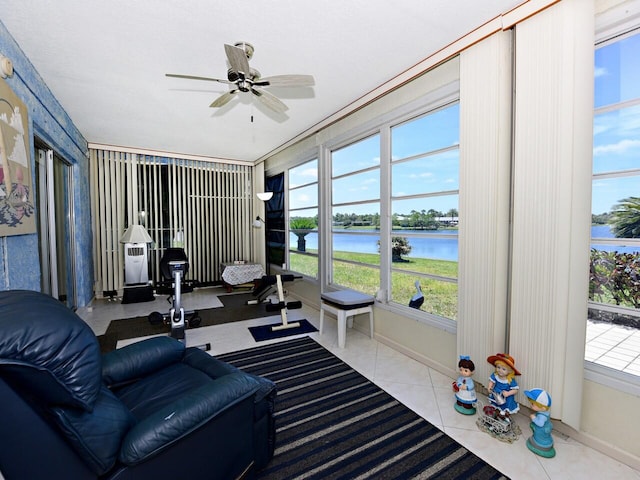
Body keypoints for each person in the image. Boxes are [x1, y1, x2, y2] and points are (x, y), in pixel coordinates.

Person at [486, 353, 521, 420]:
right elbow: (492, 381)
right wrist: (489, 387)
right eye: (498, 367)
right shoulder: (495, 375)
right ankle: (496, 414)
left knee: (505, 408)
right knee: (496, 405)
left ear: (509, 371)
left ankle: (505, 417)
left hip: (506, 396)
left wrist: (508, 393)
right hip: (497, 394)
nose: (500, 370)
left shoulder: (510, 380)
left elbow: (515, 390)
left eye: (503, 369)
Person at [525, 388, 556, 458]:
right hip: (546, 427)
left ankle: (539, 443)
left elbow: (540, 424)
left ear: (542, 407)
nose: (531, 405)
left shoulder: (542, 416)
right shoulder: (545, 413)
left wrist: (534, 418)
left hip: (541, 430)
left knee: (539, 436)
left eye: (533, 404)